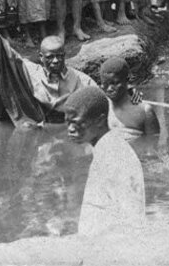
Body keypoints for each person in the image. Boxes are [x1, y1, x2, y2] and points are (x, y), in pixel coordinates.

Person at [64, 86, 146, 237]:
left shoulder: (116, 157)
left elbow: (133, 221)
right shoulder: (105, 148)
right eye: (67, 122)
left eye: (76, 123)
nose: (70, 129)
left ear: (100, 120)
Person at [99, 57, 159, 139]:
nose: (109, 88)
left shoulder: (144, 111)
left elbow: (154, 144)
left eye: (115, 83)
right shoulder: (100, 110)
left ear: (127, 80)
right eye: (105, 84)